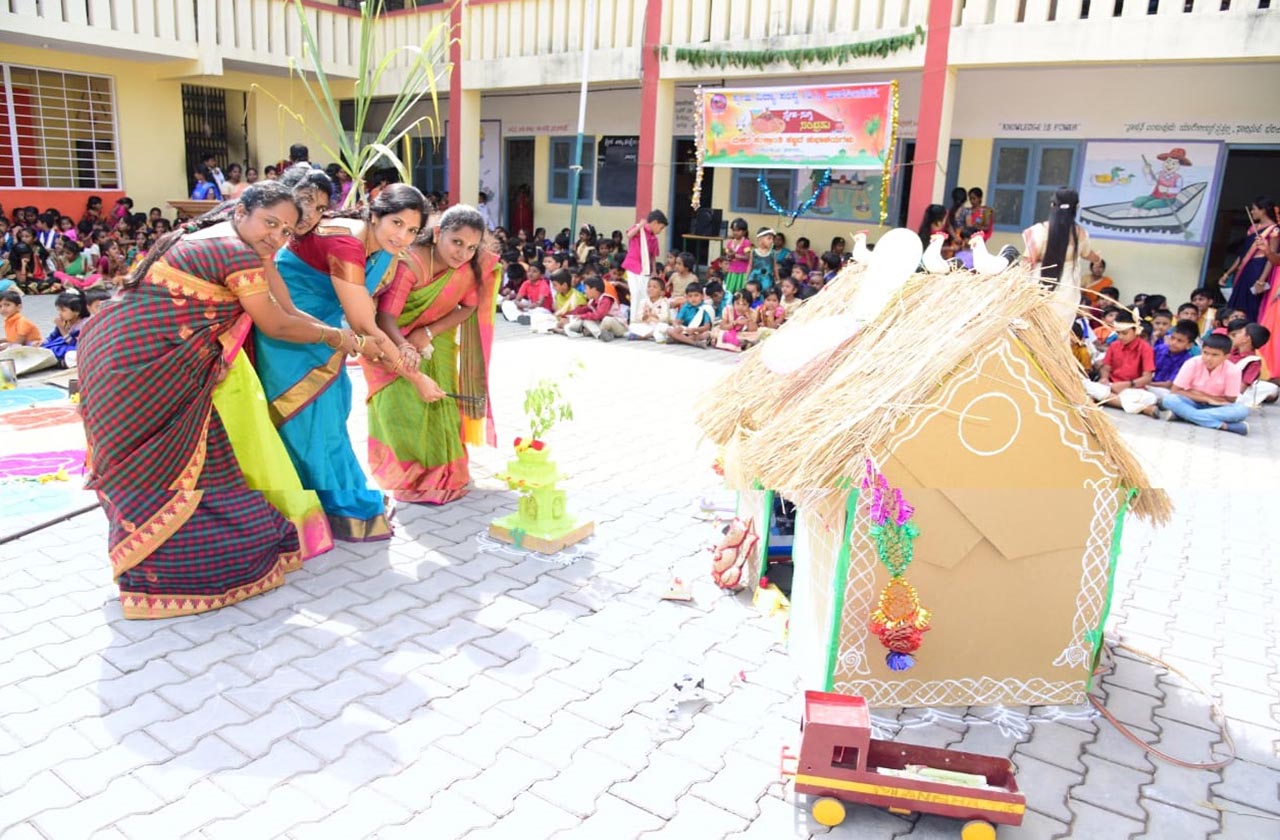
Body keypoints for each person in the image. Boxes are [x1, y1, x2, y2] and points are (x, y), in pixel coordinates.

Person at [77, 183, 359, 618]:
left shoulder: (224, 238)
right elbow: (277, 324)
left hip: (127, 357)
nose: (277, 236)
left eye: (286, 231)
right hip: (140, 368)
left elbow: (285, 308)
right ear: (241, 210)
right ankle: (165, 580)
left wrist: (346, 337)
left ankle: (180, 572)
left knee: (197, 462)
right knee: (157, 470)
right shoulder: (235, 251)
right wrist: (339, 337)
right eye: (270, 223)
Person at [256, 170, 437, 541]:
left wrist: (398, 348)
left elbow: (369, 317)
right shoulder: (347, 244)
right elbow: (364, 324)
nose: (402, 236)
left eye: (411, 231)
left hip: (324, 335)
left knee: (332, 414)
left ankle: (323, 503)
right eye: (396, 223)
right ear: (375, 215)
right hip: (291, 335)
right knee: (310, 423)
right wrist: (417, 379)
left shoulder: (380, 249)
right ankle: (322, 508)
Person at [365, 204, 498, 505]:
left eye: (471, 247)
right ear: (438, 233)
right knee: (400, 409)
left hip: (437, 342)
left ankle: (443, 472)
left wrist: (428, 332)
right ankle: (409, 476)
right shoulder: (409, 264)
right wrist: (405, 347)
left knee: (441, 406)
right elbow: (385, 317)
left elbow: (469, 307)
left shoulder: (467, 269)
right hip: (389, 343)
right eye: (457, 242)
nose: (462, 253)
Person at [1023, 188, 1103, 330]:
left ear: (1052, 205)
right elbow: (1087, 254)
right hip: (1067, 292)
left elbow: (1028, 261)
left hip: (1038, 288)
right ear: (1076, 207)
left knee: (1033, 330)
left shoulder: (1039, 231)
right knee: (1059, 332)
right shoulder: (1081, 234)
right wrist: (1097, 259)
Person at [1159, 333, 1248, 435]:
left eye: (1215, 355)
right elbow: (1175, 391)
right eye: (1205, 353)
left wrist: (1197, 394)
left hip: (1216, 407)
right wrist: (1206, 398)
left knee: (1241, 410)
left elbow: (1230, 399)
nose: (1208, 358)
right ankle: (1223, 426)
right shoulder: (1192, 363)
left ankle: (1184, 415)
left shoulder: (1233, 370)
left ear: (1226, 356)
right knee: (1169, 400)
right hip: (1191, 401)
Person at [1223, 197, 1279, 324]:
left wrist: (1261, 280)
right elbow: (1242, 254)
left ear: (1263, 210)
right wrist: (1228, 273)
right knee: (1237, 301)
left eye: (1254, 209)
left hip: (1258, 269)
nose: (1252, 212)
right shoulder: (1252, 229)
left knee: (1250, 304)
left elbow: (1272, 258)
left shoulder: (1274, 230)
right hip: (1245, 268)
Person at [1083, 310, 1153, 410]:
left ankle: (1108, 400)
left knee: (1149, 398)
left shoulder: (1145, 348)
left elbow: (1147, 378)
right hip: (1111, 386)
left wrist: (1127, 384)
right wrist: (1104, 378)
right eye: (1118, 333)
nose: (1120, 337)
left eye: (1124, 333)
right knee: (1085, 384)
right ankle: (1144, 409)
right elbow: (1106, 368)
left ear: (1136, 330)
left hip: (1132, 389)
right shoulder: (1114, 345)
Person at [620, 210, 667, 320]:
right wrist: (640, 226)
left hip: (645, 269)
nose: (660, 231)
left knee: (645, 294)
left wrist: (654, 271)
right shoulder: (639, 229)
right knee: (635, 293)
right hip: (633, 266)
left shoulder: (654, 238)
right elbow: (629, 235)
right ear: (655, 223)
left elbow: (652, 256)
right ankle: (633, 320)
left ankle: (643, 319)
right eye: (661, 228)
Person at [1226, 320, 1278, 405]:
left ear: (1246, 339)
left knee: (1272, 389)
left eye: (1239, 333)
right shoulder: (1232, 352)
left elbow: (1243, 387)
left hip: (1233, 390)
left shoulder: (1253, 361)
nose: (1235, 335)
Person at [566, 276, 626, 341]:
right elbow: (583, 310)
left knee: (607, 320)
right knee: (586, 320)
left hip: (618, 327)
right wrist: (569, 314)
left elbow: (599, 315)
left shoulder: (606, 299)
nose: (585, 291)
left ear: (594, 289)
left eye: (586, 288)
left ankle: (593, 332)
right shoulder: (592, 301)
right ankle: (600, 334)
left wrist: (581, 316)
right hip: (604, 328)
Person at [667, 282, 716, 347]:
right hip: (686, 330)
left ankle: (679, 339)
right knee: (669, 330)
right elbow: (676, 321)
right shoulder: (685, 306)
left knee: (706, 334)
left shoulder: (706, 308)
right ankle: (694, 343)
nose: (693, 298)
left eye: (696, 295)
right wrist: (677, 326)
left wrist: (695, 329)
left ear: (702, 296)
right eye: (690, 296)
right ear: (687, 297)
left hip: (698, 332)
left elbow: (706, 327)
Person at [629, 276, 672, 342]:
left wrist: (654, 315)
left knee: (664, 327)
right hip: (646, 325)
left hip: (658, 324)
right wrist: (644, 316)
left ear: (662, 292)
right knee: (632, 326)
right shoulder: (643, 302)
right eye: (649, 286)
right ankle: (653, 335)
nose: (651, 289)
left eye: (654, 287)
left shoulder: (664, 302)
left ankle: (644, 336)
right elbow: (638, 317)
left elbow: (665, 317)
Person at [722, 218, 751, 293]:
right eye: (733, 230)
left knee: (740, 291)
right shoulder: (730, 243)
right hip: (732, 271)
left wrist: (735, 255)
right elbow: (727, 256)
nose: (735, 232)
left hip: (742, 272)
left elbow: (748, 257)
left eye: (738, 230)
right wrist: (728, 257)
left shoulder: (746, 242)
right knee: (730, 291)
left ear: (744, 231)